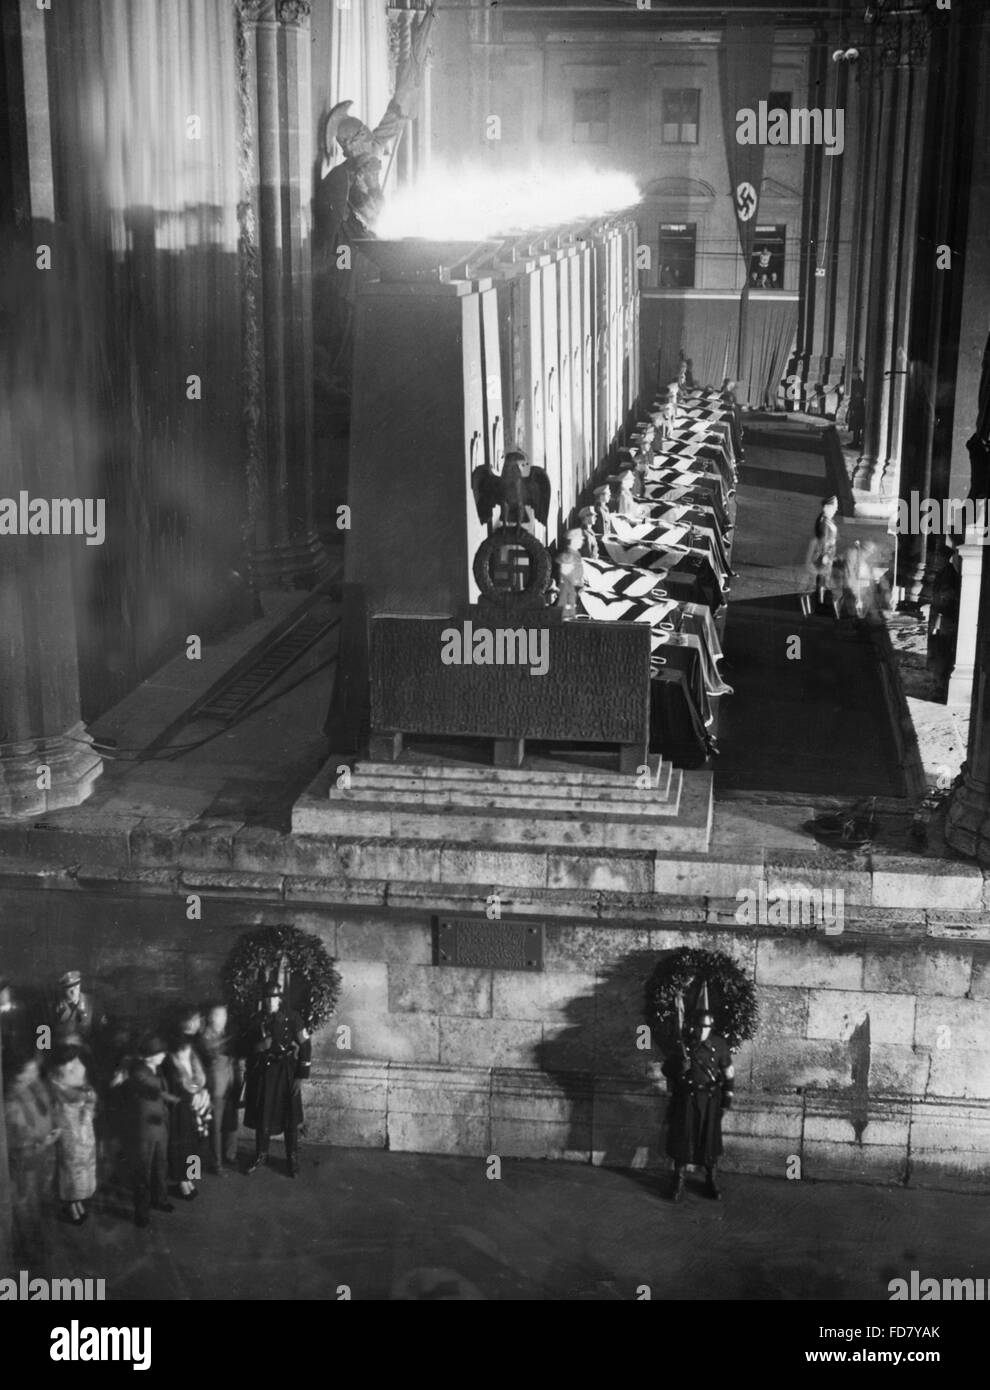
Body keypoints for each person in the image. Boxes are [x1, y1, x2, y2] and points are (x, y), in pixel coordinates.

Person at [661, 1007, 734, 1202]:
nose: (703, 1032)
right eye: (700, 1027)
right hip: (687, 1100)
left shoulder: (719, 1045)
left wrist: (727, 1100)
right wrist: (679, 1067)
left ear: (711, 1028)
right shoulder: (684, 1045)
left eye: (707, 1028)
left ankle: (711, 1180)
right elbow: (666, 1069)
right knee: (684, 1141)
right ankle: (678, 1180)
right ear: (693, 1027)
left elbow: (728, 1074)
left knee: (709, 1142)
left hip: (710, 1101)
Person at [244, 985, 311, 1178]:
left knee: (290, 1117)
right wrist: (259, 1046)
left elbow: (305, 1046)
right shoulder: (257, 1020)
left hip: (286, 1072)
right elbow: (247, 1046)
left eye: (273, 998)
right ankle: (261, 1155)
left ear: (280, 999)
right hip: (265, 1073)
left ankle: (292, 1158)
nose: (269, 1001)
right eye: (266, 998)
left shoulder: (293, 1018)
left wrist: (300, 1076)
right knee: (263, 1115)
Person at [3, 1049, 59, 1262]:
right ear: (18, 1074)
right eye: (30, 1069)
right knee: (25, 1205)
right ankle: (27, 1250)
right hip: (25, 1162)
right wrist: (43, 1141)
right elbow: (17, 1137)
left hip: (41, 1157)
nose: (36, 1071)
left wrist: (51, 1131)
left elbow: (46, 1112)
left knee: (38, 1203)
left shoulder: (32, 1087)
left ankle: (37, 1241)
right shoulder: (9, 1099)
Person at [119, 1035, 175, 1229]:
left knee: (161, 1165)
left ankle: (160, 1198)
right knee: (142, 1170)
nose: (164, 1055)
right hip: (143, 1129)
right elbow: (148, 1087)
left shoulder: (157, 1069)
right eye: (160, 1052)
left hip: (160, 1126)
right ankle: (141, 1212)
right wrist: (165, 1095)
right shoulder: (138, 1071)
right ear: (150, 1055)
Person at [48, 1044, 98, 1225]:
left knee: (83, 1171)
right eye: (71, 1066)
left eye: (78, 1062)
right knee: (71, 1173)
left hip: (84, 1135)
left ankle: (77, 1204)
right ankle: (72, 1208)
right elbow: (55, 1118)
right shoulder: (57, 1092)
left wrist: (88, 1109)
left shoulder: (81, 1089)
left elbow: (90, 1104)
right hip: (70, 1138)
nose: (80, 1068)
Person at [163, 1026, 211, 1200]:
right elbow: (174, 1090)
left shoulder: (192, 1057)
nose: (186, 1052)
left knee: (197, 1145)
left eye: (188, 1048)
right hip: (180, 1112)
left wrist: (202, 1094)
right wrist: (192, 1096)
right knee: (181, 1147)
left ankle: (191, 1177)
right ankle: (182, 1182)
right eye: (183, 1050)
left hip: (196, 1110)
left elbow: (201, 1080)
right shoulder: (170, 1064)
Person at [201, 1002, 241, 1175]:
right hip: (216, 1088)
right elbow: (213, 1053)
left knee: (231, 1122)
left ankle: (230, 1155)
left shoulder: (227, 1033)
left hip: (230, 1085)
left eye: (223, 1015)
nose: (221, 1019)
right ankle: (216, 1164)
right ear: (210, 1017)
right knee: (215, 1127)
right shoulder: (205, 1037)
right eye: (217, 1015)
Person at [805, 495, 840, 609]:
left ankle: (818, 602)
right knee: (822, 580)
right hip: (824, 555)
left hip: (827, 555)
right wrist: (825, 555)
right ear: (827, 507)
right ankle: (819, 603)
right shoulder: (825, 522)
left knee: (822, 580)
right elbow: (824, 540)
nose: (836, 509)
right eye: (835, 506)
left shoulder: (827, 520)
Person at [51, 970, 92, 1049]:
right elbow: (43, 1041)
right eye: (70, 990)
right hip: (61, 1051)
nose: (74, 992)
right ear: (63, 990)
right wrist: (64, 1040)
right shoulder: (55, 1007)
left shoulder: (90, 1002)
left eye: (77, 987)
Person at [846, 368, 865, 450]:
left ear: (857, 374)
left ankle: (856, 443)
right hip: (855, 406)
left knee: (856, 426)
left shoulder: (859, 384)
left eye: (853, 374)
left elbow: (858, 397)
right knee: (854, 425)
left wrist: (853, 408)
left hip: (858, 408)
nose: (852, 376)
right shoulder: (855, 383)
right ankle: (854, 441)